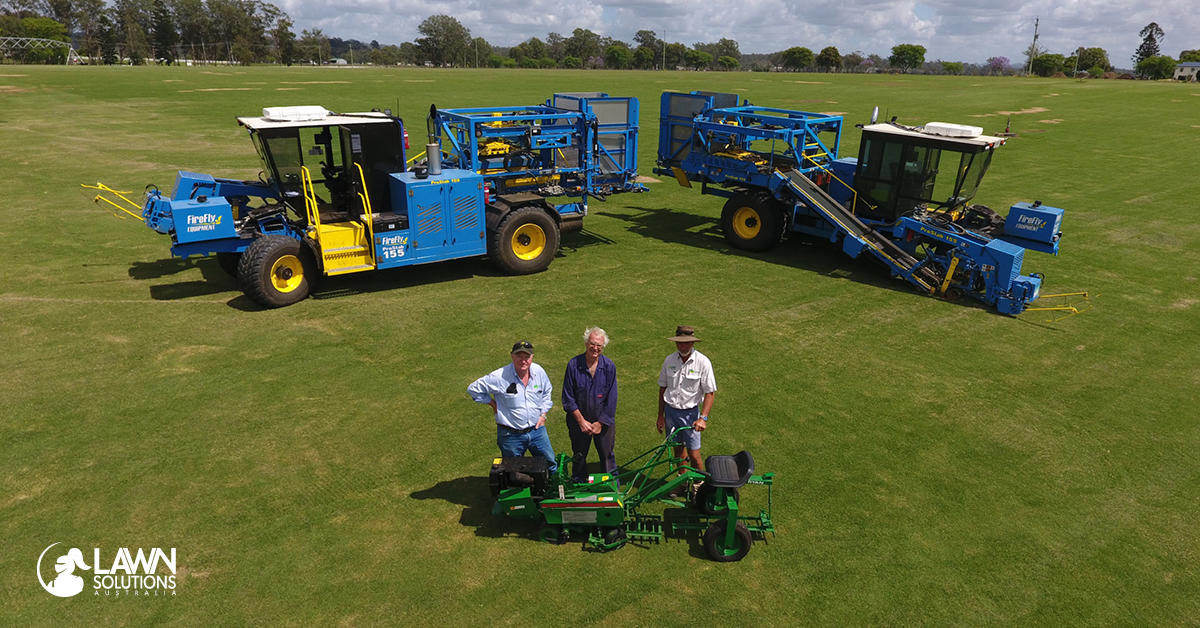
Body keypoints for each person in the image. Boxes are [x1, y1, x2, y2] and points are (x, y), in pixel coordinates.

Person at [468, 340, 556, 473]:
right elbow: (473, 389)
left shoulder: (539, 371)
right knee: (513, 471)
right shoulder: (499, 377)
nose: (523, 360)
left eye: (527, 357)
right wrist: (492, 404)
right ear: (512, 356)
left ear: (532, 357)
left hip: (537, 431)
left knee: (550, 464)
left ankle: (552, 492)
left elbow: (547, 391)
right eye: (519, 356)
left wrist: (543, 414)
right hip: (510, 435)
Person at [657, 325, 717, 483]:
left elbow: (710, 392)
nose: (682, 346)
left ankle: (699, 485)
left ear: (692, 343)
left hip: (691, 414)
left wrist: (703, 418)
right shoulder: (669, 360)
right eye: (679, 343)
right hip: (671, 412)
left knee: (694, 454)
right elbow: (663, 388)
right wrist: (660, 416)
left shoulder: (703, 362)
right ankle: (682, 481)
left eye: (686, 343)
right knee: (678, 451)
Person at [562, 326, 618, 482]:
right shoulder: (573, 365)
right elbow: (568, 398)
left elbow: (612, 399)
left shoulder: (609, 367)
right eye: (592, 343)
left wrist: (600, 423)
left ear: (603, 347)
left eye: (599, 345)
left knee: (607, 455)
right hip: (578, 421)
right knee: (579, 454)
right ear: (586, 343)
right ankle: (579, 483)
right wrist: (581, 421)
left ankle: (610, 484)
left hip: (603, 422)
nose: (595, 348)